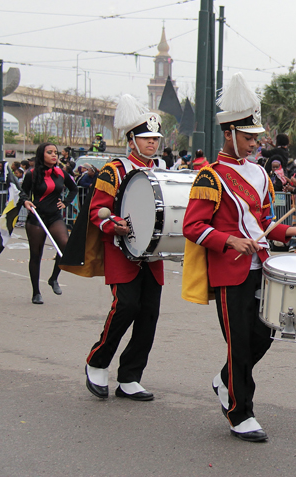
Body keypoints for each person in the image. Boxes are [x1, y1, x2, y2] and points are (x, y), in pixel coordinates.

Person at [182, 72, 296, 442]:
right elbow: (193, 227)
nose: (255, 143)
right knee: (240, 342)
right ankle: (240, 412)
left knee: (265, 335)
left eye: (257, 137)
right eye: (248, 137)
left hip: (261, 268)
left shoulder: (260, 173)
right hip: (229, 272)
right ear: (229, 133)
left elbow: (264, 224)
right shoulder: (209, 177)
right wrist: (229, 241)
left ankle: (225, 379)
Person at [84, 95, 165, 402]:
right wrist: (113, 224)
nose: (152, 144)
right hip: (122, 251)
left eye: (155, 139)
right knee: (127, 306)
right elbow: (97, 212)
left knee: (149, 314)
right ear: (131, 140)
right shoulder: (113, 170)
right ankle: (98, 360)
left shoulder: (160, 170)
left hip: (152, 255)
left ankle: (130, 376)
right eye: (146, 138)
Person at [18, 143, 77, 305]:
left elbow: (74, 189)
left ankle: (53, 278)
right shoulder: (31, 174)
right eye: (49, 152)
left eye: (56, 152)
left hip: (54, 216)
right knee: (36, 255)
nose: (54, 155)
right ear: (41, 155)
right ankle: (36, 292)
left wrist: (65, 202)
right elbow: (22, 193)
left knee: (65, 245)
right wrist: (26, 202)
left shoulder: (61, 173)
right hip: (36, 218)